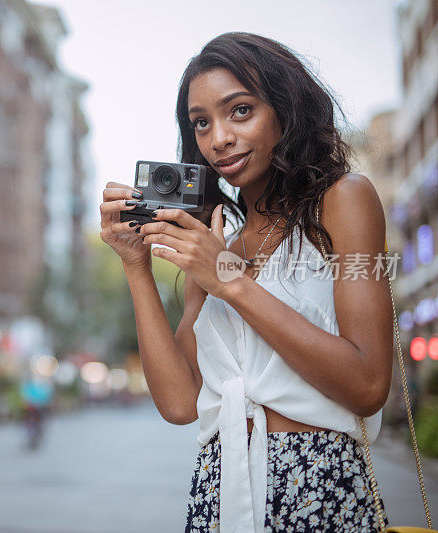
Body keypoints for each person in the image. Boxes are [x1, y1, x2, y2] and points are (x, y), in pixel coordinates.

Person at [99, 32, 392, 532]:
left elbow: (367, 386)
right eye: (201, 123)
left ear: (284, 110)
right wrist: (135, 266)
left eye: (239, 111)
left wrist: (230, 282)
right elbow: (179, 404)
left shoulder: (344, 201)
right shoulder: (215, 247)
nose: (218, 139)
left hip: (316, 485)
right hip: (220, 489)